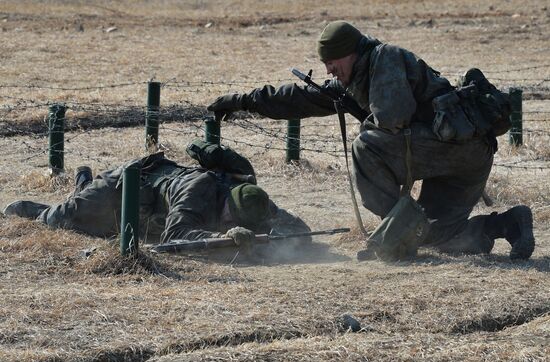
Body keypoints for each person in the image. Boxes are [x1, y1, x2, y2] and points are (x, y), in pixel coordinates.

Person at [206, 20, 535, 260]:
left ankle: (394, 235)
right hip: (454, 154)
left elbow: (393, 119)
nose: (330, 70)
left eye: (333, 62)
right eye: (325, 64)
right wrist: (238, 101)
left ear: (351, 53)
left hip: (459, 149)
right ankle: (510, 224)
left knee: (367, 145)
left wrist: (364, 117)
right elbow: (295, 98)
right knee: (435, 237)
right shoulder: (355, 80)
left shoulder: (385, 59)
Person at [3, 142, 311, 248]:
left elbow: (299, 229)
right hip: (125, 185)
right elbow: (175, 234)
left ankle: (82, 181)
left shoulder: (252, 197)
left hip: (149, 212)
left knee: (97, 227)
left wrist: (276, 235)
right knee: (63, 219)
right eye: (229, 219)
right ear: (227, 206)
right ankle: (27, 209)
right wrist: (229, 239)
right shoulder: (198, 190)